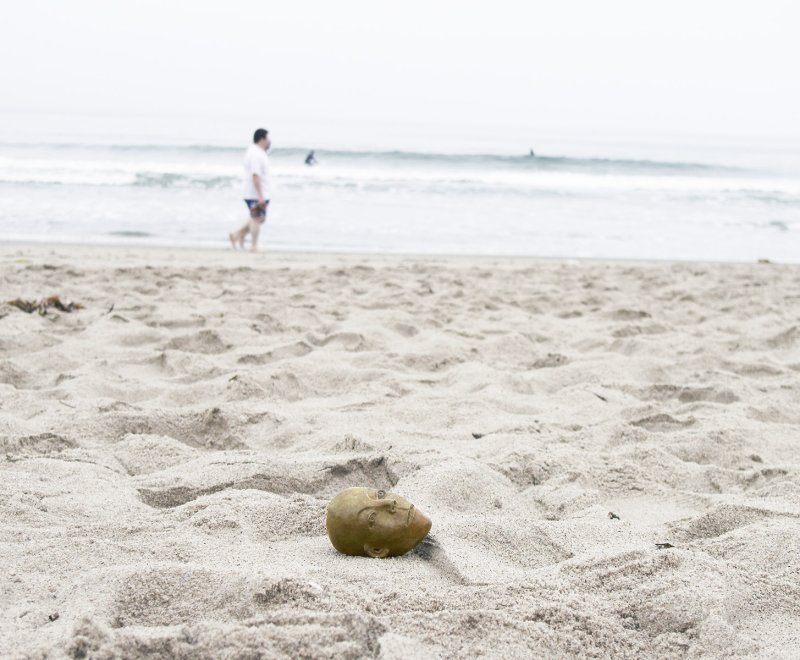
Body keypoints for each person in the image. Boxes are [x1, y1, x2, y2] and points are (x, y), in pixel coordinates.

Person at [229, 128, 271, 252]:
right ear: (262, 139)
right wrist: (260, 195)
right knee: (257, 218)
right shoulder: (255, 154)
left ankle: (236, 235)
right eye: (268, 138)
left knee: (259, 218)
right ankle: (254, 246)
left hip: (258, 192)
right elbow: (255, 175)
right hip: (254, 193)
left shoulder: (258, 152)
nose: (269, 141)